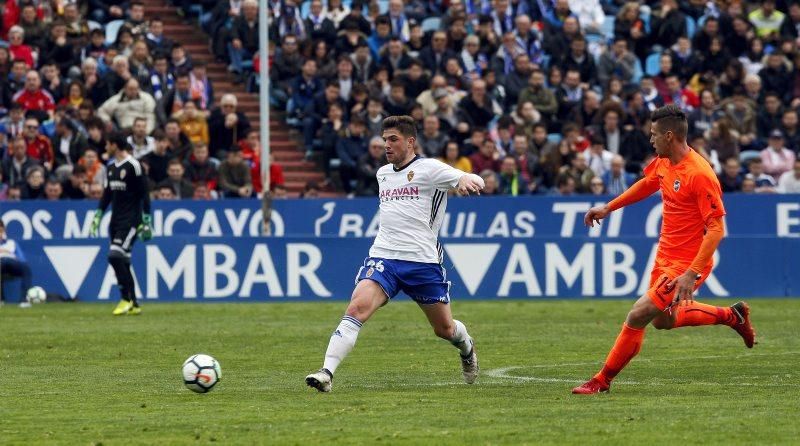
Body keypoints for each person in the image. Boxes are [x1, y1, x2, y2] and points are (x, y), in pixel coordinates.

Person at [573, 105, 756, 395]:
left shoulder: (700, 174)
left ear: (669, 135)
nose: (650, 140)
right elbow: (648, 183)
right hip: (666, 256)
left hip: (686, 263)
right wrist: (609, 207)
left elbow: (717, 229)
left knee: (639, 314)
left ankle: (601, 380)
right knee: (663, 321)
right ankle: (731, 316)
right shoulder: (664, 161)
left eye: (654, 134)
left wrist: (691, 273)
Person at [305, 115, 485, 392]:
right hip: (384, 257)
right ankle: (326, 372)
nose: (386, 144)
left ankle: (466, 346)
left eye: (393, 139)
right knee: (356, 309)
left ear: (410, 142)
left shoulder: (430, 169)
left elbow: (466, 177)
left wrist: (468, 180)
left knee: (444, 329)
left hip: (422, 261)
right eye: (384, 139)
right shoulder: (383, 174)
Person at [89, 132, 152, 316]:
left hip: (131, 221)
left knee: (114, 256)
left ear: (115, 145)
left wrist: (146, 220)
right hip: (115, 222)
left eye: (107, 144)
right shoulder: (111, 167)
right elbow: (108, 194)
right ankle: (134, 304)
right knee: (122, 260)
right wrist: (98, 215)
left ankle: (125, 299)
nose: (105, 147)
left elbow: (145, 194)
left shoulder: (134, 165)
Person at [0, 220, 33, 305]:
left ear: (3, 230)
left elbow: (22, 259)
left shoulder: (11, 243)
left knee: (26, 269)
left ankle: (24, 300)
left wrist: (8, 253)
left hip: (12, 262)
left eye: (1, 230)